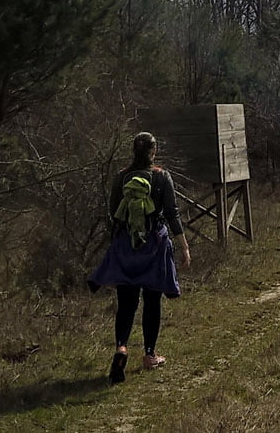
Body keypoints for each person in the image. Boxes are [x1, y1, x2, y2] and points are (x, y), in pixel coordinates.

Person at [88, 131, 192, 383]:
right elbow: (172, 212)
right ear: (154, 151)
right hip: (154, 245)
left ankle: (121, 348)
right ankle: (149, 354)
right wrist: (184, 246)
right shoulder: (161, 176)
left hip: (127, 246)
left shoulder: (121, 176)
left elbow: (113, 211)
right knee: (152, 301)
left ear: (133, 150)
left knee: (126, 303)